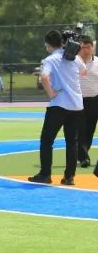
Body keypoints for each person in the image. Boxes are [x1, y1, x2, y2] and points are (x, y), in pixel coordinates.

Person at [28, 30, 85, 185]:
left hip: (59, 105)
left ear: (47, 44)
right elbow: (84, 72)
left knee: (47, 140)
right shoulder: (74, 57)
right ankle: (69, 177)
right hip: (76, 105)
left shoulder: (50, 60)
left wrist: (51, 92)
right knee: (72, 142)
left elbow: (44, 76)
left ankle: (45, 174)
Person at [75, 36, 97, 169]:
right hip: (78, 101)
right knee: (80, 129)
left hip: (94, 100)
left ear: (92, 48)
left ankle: (83, 154)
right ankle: (83, 158)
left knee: (90, 129)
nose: (85, 50)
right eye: (83, 47)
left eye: (88, 47)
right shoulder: (73, 62)